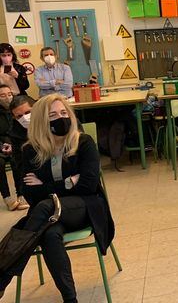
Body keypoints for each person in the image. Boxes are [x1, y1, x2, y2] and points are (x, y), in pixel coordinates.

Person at [0, 94, 115, 302]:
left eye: (63, 113)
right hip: (51, 217)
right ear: (42, 121)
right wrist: (69, 182)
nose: (60, 118)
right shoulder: (30, 150)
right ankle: (71, 300)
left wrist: (45, 186)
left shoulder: (83, 142)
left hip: (84, 208)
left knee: (44, 206)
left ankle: (1, 279)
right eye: (52, 115)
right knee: (49, 235)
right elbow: (28, 193)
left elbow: (88, 185)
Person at [0, 85, 29, 211]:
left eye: (9, 94)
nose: (7, 98)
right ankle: (7, 198)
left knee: (16, 160)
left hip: (15, 144)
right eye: (3, 95)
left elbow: (20, 135)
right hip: (1, 146)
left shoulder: (18, 111)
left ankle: (21, 194)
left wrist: (13, 144)